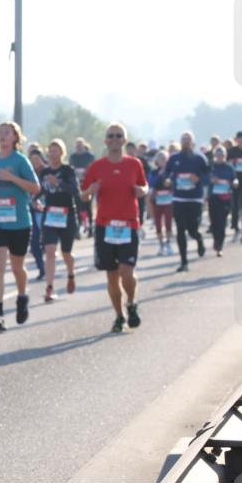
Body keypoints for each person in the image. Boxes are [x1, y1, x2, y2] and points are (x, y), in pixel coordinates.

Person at [81, 123, 148, 333]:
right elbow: (83, 195)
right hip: (105, 226)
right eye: (111, 136)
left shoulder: (134, 164)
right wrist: (90, 191)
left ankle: (132, 303)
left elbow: (144, 185)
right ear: (105, 140)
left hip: (129, 224)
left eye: (119, 136)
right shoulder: (97, 166)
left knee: (126, 271)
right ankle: (119, 316)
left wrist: (142, 190)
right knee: (112, 275)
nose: (115, 139)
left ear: (124, 140)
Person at [0, 121, 41, 332]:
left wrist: (11, 177)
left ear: (15, 137)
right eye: (0, 132)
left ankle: (22, 297)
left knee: (17, 267)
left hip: (19, 222)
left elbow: (35, 188)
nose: (2, 135)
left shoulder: (21, 160)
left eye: (7, 132)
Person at [39, 139, 79, 302]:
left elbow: (74, 191)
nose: (52, 154)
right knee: (50, 251)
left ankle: (71, 274)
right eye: (50, 151)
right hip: (50, 216)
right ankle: (49, 288)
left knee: (66, 252)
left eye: (56, 151)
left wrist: (58, 182)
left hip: (67, 215)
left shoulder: (68, 170)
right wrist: (34, 200)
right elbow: (40, 191)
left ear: (62, 153)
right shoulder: (44, 172)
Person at [165, 131, 210, 272]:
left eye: (188, 139)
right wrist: (168, 180)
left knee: (192, 230)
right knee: (180, 228)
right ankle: (184, 262)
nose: (185, 141)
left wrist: (199, 178)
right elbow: (166, 173)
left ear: (192, 142)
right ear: (180, 142)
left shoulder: (200, 158)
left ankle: (198, 238)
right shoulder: (174, 158)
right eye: (183, 139)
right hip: (179, 198)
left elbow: (208, 175)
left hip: (195, 198)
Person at [208, 146, 236, 257]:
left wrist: (235, 182)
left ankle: (220, 246)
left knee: (222, 222)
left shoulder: (229, 167)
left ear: (225, 156)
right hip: (213, 197)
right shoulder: (211, 167)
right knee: (214, 222)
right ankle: (216, 240)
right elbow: (205, 178)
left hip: (225, 198)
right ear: (215, 156)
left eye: (222, 155)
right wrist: (211, 180)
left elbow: (234, 178)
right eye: (218, 155)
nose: (220, 157)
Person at [147, 151, 174, 255]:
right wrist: (159, 175)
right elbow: (151, 183)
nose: (164, 160)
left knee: (168, 222)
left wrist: (170, 183)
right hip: (157, 200)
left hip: (168, 200)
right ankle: (161, 244)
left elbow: (175, 183)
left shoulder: (171, 172)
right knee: (158, 223)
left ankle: (168, 243)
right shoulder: (154, 172)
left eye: (165, 158)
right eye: (161, 158)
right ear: (157, 161)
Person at [27, 149, 48, 281]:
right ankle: (41, 268)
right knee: (34, 243)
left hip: (49, 211)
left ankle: (49, 265)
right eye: (32, 160)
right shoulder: (27, 174)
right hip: (33, 211)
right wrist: (32, 202)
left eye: (37, 159)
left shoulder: (48, 172)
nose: (35, 162)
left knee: (48, 243)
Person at [70, 138, 95, 237]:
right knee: (78, 206)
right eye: (77, 146)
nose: (79, 147)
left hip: (88, 184)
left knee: (88, 207)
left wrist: (86, 171)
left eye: (80, 145)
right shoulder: (73, 157)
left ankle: (90, 228)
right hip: (77, 185)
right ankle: (78, 229)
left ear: (84, 146)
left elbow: (93, 168)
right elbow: (70, 168)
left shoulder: (90, 156)